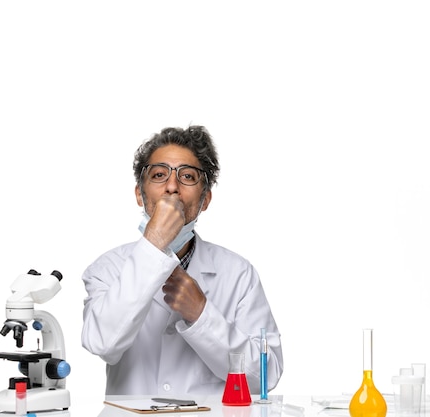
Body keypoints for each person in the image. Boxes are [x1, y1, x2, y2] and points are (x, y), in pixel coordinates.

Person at [81, 125, 283, 395]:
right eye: (159, 175)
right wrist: (153, 243)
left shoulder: (239, 274)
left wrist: (202, 315)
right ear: (140, 194)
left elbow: (264, 377)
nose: (172, 187)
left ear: (205, 199)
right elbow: (102, 343)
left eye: (187, 176)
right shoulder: (107, 268)